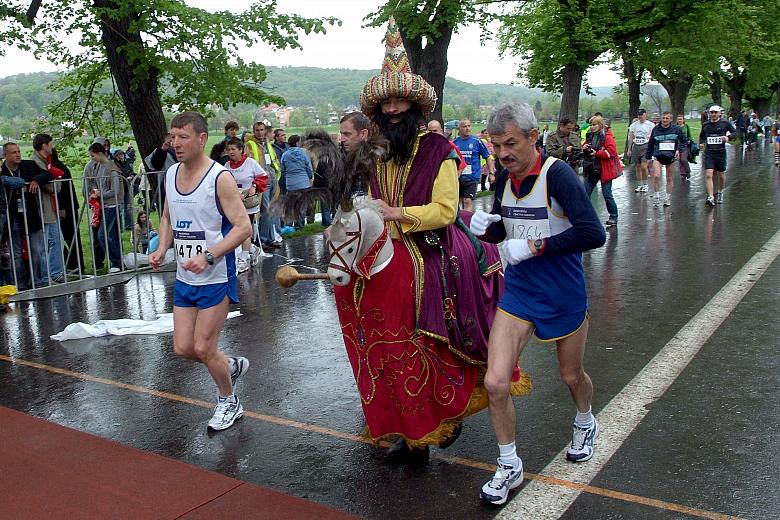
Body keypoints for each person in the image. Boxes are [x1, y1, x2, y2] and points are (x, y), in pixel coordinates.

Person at [333, 17, 529, 459]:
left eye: (402, 102)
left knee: (430, 324)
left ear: (415, 107)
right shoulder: (375, 152)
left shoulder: (440, 150)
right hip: (385, 243)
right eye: (387, 104)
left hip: (433, 243)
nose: (394, 109)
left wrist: (396, 213)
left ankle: (442, 408)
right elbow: (367, 198)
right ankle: (400, 422)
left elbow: (444, 210)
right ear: (378, 111)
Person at [469, 102, 606, 506]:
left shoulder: (557, 175)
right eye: (495, 146)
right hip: (520, 294)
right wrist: (487, 229)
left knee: (570, 375)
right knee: (495, 381)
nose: (502, 154)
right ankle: (509, 465)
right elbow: (504, 233)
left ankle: (585, 421)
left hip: (563, 292)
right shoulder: (504, 179)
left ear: (533, 137)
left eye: (510, 144)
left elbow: (592, 233)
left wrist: (534, 245)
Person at [149, 111, 252, 431]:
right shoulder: (170, 175)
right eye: (173, 137)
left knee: (204, 347)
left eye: (183, 137)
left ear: (202, 139)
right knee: (183, 348)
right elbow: (167, 216)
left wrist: (209, 255)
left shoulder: (219, 177)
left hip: (216, 275)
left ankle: (229, 401)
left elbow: (243, 227)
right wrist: (162, 247)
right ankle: (229, 365)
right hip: (184, 276)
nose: (175, 143)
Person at [1, 142, 53, 289]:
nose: (17, 154)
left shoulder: (28, 165)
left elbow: (47, 174)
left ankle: (38, 281)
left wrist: (36, 180)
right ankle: (21, 284)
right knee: (15, 252)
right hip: (11, 216)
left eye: (18, 151)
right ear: (5, 155)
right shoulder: (2, 171)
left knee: (36, 249)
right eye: (13, 152)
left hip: (30, 213)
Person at [225, 136, 266, 271]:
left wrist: (254, 186)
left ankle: (243, 259)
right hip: (234, 202)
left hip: (248, 203)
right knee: (235, 230)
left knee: (244, 230)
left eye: (233, 149)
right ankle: (253, 249)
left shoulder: (250, 163)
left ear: (241, 150)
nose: (231, 152)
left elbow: (263, 176)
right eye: (229, 149)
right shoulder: (226, 166)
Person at [31, 133, 66, 283]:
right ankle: (46, 276)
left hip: (51, 208)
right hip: (43, 208)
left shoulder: (47, 161)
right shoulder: (36, 162)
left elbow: (55, 183)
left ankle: (55, 272)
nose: (53, 146)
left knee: (57, 239)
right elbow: (51, 186)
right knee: (44, 244)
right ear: (44, 146)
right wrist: (55, 183)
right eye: (51, 143)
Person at [85, 142, 125, 273]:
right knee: (110, 234)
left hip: (112, 205)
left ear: (100, 153)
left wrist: (100, 194)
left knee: (103, 235)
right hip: (104, 205)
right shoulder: (99, 166)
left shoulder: (111, 168)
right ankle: (118, 262)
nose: (92, 159)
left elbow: (115, 189)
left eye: (93, 156)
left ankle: (117, 262)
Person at [581, 116, 620, 226]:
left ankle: (613, 216)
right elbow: (585, 146)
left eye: (594, 125)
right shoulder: (590, 135)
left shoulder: (607, 137)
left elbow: (611, 153)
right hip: (592, 169)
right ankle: (586, 215)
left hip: (604, 169)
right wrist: (584, 147)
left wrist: (597, 153)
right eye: (591, 125)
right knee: (585, 192)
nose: (592, 127)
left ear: (600, 125)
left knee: (607, 194)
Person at [453, 118, 495, 212]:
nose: (467, 128)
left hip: (472, 177)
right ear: (459, 129)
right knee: (457, 202)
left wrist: (491, 173)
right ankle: (459, 223)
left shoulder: (476, 141)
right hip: (458, 177)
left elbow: (487, 156)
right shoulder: (455, 143)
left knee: (468, 201)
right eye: (464, 126)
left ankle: (467, 223)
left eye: (469, 126)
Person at [645, 112, 685, 207]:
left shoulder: (676, 129)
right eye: (663, 118)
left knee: (669, 177)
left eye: (667, 118)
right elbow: (650, 144)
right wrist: (648, 157)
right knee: (656, 176)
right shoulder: (656, 129)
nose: (665, 120)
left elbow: (684, 141)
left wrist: (679, 150)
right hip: (658, 155)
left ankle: (667, 198)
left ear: (671, 120)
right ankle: (657, 196)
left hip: (670, 156)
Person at [699, 105, 736, 205]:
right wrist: (702, 143)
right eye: (712, 112)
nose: (713, 114)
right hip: (709, 152)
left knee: (721, 175)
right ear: (709, 114)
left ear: (719, 113)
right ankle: (711, 197)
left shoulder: (725, 123)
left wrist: (728, 137)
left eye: (715, 112)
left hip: (720, 152)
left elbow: (735, 132)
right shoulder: (706, 124)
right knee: (708, 174)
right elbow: (702, 135)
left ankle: (720, 191)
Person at [279, 135, 313, 229]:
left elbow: (283, 170)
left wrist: (288, 178)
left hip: (291, 184)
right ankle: (299, 226)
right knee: (301, 206)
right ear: (297, 142)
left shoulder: (285, 155)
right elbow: (308, 168)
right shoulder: (303, 154)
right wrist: (309, 177)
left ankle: (288, 225)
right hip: (303, 183)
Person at [626, 108, 655, 193]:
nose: (640, 116)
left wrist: (653, 147)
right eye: (639, 115)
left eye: (641, 115)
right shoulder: (634, 125)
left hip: (646, 146)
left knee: (643, 166)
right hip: (636, 146)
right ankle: (640, 185)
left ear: (645, 114)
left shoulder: (651, 125)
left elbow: (654, 136)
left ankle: (645, 184)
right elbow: (631, 137)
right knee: (637, 166)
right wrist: (629, 149)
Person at [676, 114, 693, 179]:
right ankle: (682, 173)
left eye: (681, 119)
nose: (680, 120)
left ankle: (688, 171)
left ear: (683, 120)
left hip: (685, 145)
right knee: (679, 160)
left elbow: (689, 135)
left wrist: (690, 141)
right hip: (677, 145)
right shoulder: (675, 127)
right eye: (678, 119)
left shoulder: (686, 126)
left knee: (683, 159)